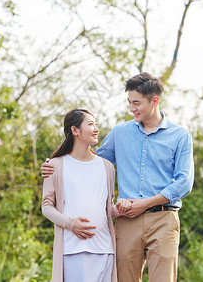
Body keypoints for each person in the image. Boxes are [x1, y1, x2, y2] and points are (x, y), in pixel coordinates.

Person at [41, 73, 194, 282]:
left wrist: (145, 203)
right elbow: (90, 162)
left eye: (137, 103)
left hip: (163, 219)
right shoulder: (120, 132)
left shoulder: (180, 136)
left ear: (155, 101)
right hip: (126, 220)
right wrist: (55, 166)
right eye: (129, 102)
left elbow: (184, 182)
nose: (132, 108)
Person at [41, 108, 131, 282]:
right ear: (75, 130)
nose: (96, 128)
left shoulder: (107, 167)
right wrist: (70, 224)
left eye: (96, 124)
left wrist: (118, 209)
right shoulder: (55, 165)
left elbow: (106, 209)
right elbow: (46, 207)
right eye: (90, 124)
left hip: (105, 249)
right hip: (73, 249)